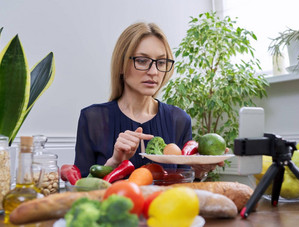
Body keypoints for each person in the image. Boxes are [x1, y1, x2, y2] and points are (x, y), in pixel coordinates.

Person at [74, 22, 224, 179]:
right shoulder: (93, 119)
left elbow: (185, 190)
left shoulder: (179, 120)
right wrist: (114, 163)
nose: (154, 72)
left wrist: (199, 172)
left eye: (161, 62)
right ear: (121, 65)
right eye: (142, 60)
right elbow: (80, 191)